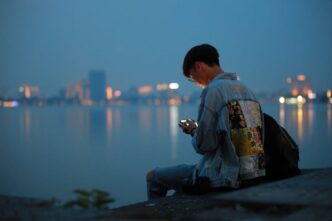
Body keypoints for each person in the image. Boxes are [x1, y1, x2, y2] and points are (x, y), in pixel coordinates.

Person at [146, 44, 265, 199]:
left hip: (224, 176)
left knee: (153, 177)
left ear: (199, 66)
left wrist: (193, 130)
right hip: (251, 173)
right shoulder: (245, 89)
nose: (194, 82)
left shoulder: (214, 90)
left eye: (191, 77)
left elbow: (205, 145)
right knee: (180, 189)